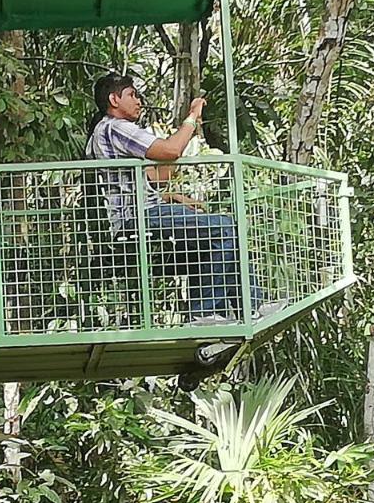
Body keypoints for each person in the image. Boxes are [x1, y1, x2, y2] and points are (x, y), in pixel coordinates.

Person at [85, 72, 261, 323]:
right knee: (223, 227)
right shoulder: (116, 127)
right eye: (132, 95)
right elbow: (170, 150)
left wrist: (173, 194)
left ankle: (244, 308)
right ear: (114, 99)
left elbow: (158, 177)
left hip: (142, 213)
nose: (138, 101)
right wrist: (191, 119)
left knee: (220, 241)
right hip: (139, 217)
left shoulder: (108, 132)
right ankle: (210, 313)